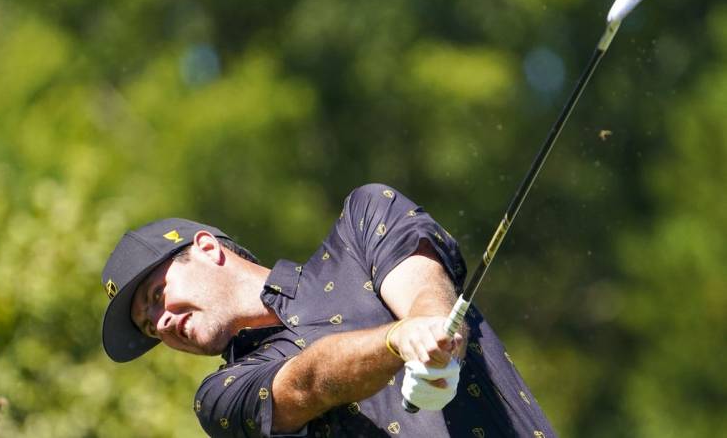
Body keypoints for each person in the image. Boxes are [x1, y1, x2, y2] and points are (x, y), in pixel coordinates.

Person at [101, 184, 556, 437]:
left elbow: (422, 286)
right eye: (148, 325)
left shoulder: (361, 224)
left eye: (156, 297)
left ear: (205, 248)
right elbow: (311, 381)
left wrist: (434, 331)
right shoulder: (222, 395)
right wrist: (397, 340)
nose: (160, 324)